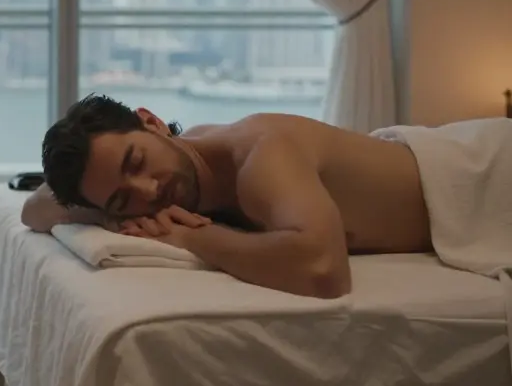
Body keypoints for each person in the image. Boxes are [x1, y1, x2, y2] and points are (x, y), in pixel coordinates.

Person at [23, 94, 432, 299]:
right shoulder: (154, 188)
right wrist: (110, 215)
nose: (149, 190)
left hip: (478, 179)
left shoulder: (259, 152)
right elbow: (34, 208)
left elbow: (324, 270)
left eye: (137, 162)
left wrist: (192, 239)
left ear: (152, 123)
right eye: (123, 198)